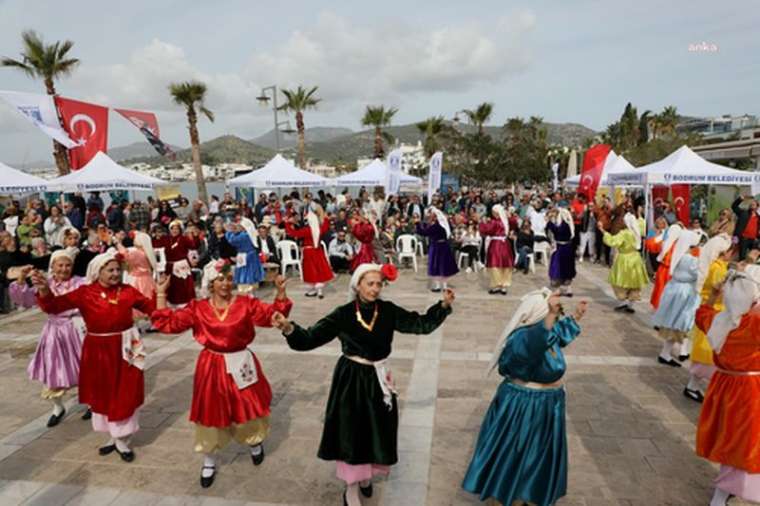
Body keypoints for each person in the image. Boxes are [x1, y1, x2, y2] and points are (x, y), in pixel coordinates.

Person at [272, 263, 454, 506]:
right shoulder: (343, 314)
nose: (375, 289)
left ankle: (367, 474)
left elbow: (419, 324)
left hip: (378, 379)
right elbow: (310, 338)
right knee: (353, 431)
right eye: (370, 283)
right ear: (357, 285)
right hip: (352, 380)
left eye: (379, 284)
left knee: (376, 429)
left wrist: (442, 306)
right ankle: (351, 487)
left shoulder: (387, 310)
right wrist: (288, 328)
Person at [151, 260, 292, 488]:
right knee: (211, 411)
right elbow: (169, 324)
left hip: (242, 362)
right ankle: (209, 459)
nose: (225, 284)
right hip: (212, 365)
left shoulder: (246, 303)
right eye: (220, 279)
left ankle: (254, 442)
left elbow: (272, 316)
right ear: (210, 283)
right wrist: (160, 294)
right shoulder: (198, 308)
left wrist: (281, 292)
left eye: (228, 278)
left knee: (249, 407)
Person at [462, 289, 588, 506]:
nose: (554, 319)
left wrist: (576, 316)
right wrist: (549, 317)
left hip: (546, 405)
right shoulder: (522, 338)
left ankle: (531, 495)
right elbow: (534, 345)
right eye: (549, 316)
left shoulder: (545, 332)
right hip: (526, 406)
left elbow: (556, 334)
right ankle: (513, 496)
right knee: (520, 455)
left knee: (539, 456)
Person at [31, 249, 155, 461]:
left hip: (126, 348)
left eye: (117, 269)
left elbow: (151, 308)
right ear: (98, 272)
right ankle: (113, 436)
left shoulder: (127, 291)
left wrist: (160, 294)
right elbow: (54, 305)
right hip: (97, 349)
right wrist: (44, 290)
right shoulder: (85, 292)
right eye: (110, 270)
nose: (116, 273)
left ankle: (122, 439)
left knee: (125, 390)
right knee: (103, 392)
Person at [693, 264, 760, 506]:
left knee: (728, 437)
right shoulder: (753, 325)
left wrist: (714, 293)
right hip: (749, 389)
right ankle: (721, 496)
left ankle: (723, 493)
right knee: (743, 442)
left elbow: (701, 312)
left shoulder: (718, 321)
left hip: (722, 385)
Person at [10, 251, 87, 426]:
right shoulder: (45, 284)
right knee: (54, 369)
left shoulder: (81, 282)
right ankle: (58, 407)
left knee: (85, 366)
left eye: (68, 265)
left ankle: (91, 401)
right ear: (52, 266)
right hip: (54, 332)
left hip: (78, 328)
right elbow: (26, 300)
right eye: (60, 265)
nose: (64, 269)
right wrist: (21, 280)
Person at [684, 234, 734, 402]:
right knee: (708, 351)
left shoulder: (716, 266)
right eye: (730, 252)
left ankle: (694, 385)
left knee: (706, 349)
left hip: (711, 310)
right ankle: (693, 385)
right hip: (714, 312)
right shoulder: (718, 269)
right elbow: (720, 291)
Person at [651, 230, 701, 367]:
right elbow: (700, 273)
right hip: (684, 293)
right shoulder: (690, 260)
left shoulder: (679, 256)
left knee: (676, 322)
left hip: (675, 289)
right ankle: (666, 353)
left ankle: (679, 351)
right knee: (679, 323)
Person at [600, 213, 649, 313]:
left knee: (620, 281)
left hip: (624, 259)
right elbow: (642, 224)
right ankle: (631, 304)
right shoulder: (637, 230)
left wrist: (602, 230)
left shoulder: (624, 233)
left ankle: (623, 301)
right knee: (634, 282)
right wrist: (639, 214)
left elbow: (612, 241)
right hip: (636, 259)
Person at [285, 204, 334, 298]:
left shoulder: (306, 230)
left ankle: (313, 289)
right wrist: (326, 218)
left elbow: (293, 233)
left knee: (311, 271)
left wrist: (287, 224)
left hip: (308, 252)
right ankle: (319, 290)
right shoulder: (318, 229)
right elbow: (325, 227)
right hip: (318, 251)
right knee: (319, 270)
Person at [152, 220, 200, 306]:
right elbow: (156, 246)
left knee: (184, 287)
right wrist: (155, 237)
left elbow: (194, 246)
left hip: (181, 265)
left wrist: (195, 236)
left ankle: (187, 305)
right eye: (172, 229)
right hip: (169, 266)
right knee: (172, 288)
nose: (174, 231)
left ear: (180, 230)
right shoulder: (166, 239)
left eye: (177, 229)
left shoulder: (183, 239)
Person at [116, 231, 158, 322]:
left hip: (137, 280)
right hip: (148, 279)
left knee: (136, 301)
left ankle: (136, 323)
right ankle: (152, 321)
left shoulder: (136, 253)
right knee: (150, 299)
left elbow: (124, 255)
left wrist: (118, 243)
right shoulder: (148, 253)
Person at [416, 207, 459, 292]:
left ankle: (437, 286)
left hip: (437, 247)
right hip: (445, 247)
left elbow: (424, 232)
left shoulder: (436, 226)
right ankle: (445, 286)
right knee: (444, 267)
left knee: (436, 266)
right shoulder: (444, 225)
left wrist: (417, 224)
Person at [479, 204, 515, 295]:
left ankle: (496, 285)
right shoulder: (505, 221)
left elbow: (487, 230)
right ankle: (504, 286)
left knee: (495, 265)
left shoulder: (494, 222)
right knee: (505, 265)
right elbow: (514, 223)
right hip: (505, 244)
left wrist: (482, 223)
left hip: (496, 245)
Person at [225, 218, 265, 294]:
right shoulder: (250, 234)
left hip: (246, 257)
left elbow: (232, 241)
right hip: (251, 256)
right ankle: (251, 294)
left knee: (245, 277)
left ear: (244, 227)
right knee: (251, 277)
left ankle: (247, 294)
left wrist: (229, 231)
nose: (238, 227)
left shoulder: (244, 235)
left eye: (240, 226)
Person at [650, 223, 683, 310]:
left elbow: (652, 247)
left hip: (667, 270)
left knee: (662, 291)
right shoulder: (680, 245)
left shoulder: (666, 243)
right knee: (662, 291)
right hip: (670, 271)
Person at [547, 207, 577, 297]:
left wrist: (550, 222)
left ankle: (564, 288)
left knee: (559, 268)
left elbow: (557, 232)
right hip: (565, 248)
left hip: (562, 249)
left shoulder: (564, 225)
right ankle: (564, 288)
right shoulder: (567, 224)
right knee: (565, 268)